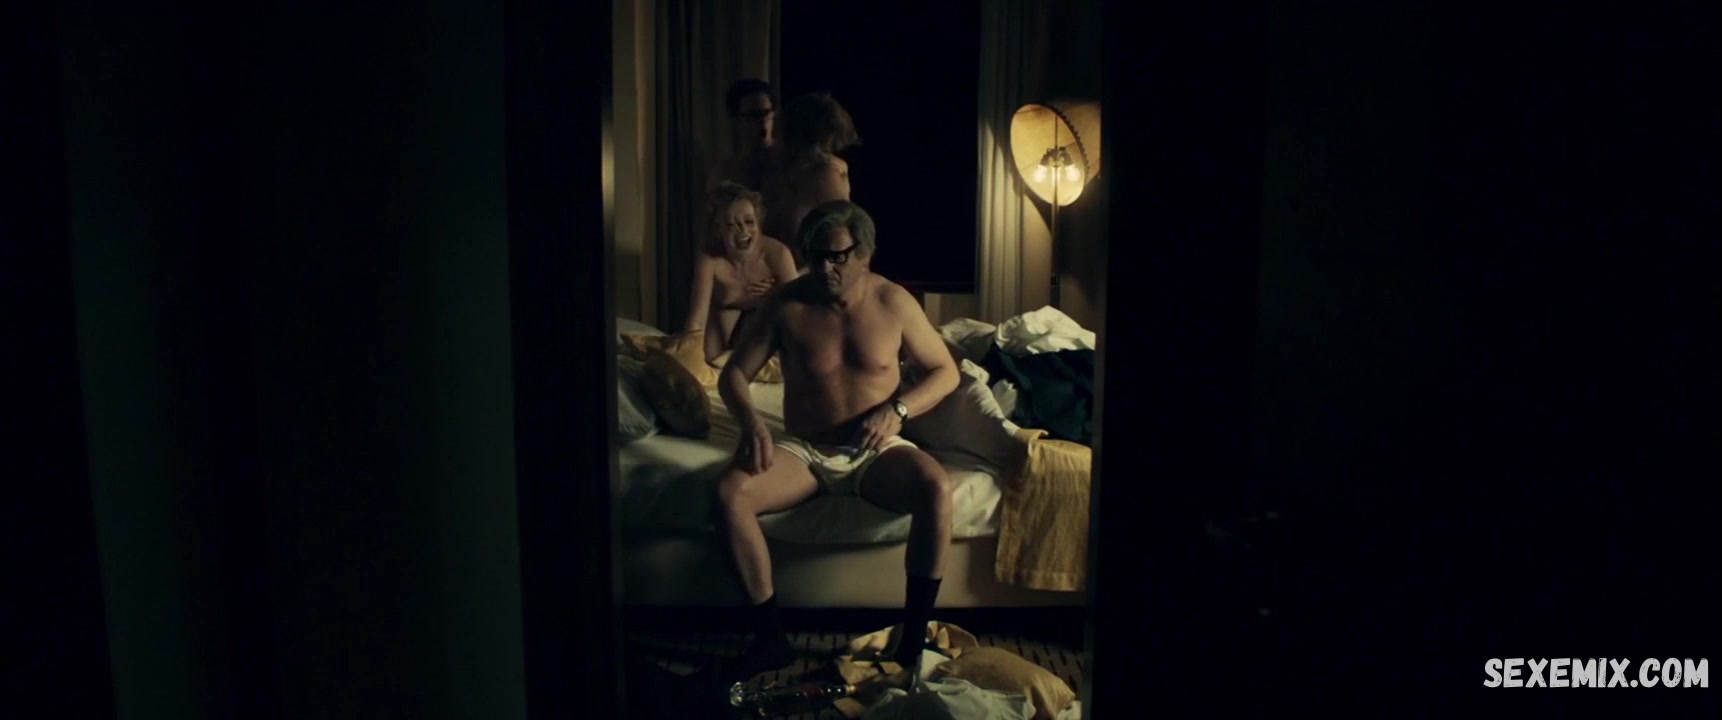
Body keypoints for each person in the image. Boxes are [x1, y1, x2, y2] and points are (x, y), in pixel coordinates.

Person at [710, 200, 961, 681]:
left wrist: (898, 410)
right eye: (815, 255)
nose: (824, 267)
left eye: (837, 256)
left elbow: (945, 371)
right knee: (729, 493)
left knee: (935, 487)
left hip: (874, 451)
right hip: (805, 449)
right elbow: (734, 375)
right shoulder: (786, 304)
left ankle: (911, 642)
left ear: (863, 253)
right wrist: (752, 424)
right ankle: (770, 641)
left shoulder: (893, 302)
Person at [684, 182, 799, 363]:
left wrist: (777, 294)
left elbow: (799, 309)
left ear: (759, 222)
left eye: (749, 222)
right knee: (707, 359)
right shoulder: (710, 259)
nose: (743, 231)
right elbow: (697, 321)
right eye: (731, 225)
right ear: (719, 229)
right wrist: (688, 357)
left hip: (764, 320)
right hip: (723, 320)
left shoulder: (778, 254)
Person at [761, 93, 860, 267]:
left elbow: (840, 227)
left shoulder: (826, 170)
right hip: (787, 265)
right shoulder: (825, 170)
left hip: (805, 266)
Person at [708, 78, 777, 193]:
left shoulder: (791, 162)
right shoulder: (726, 173)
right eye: (752, 116)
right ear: (736, 121)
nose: (762, 121)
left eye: (766, 113)